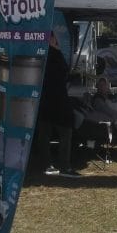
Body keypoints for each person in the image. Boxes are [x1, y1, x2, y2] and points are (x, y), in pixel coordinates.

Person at [35, 32, 79, 176]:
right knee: (64, 132)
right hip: (56, 100)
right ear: (51, 39)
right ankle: (63, 166)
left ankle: (47, 164)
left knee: (45, 135)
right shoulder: (54, 54)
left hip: (46, 100)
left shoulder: (40, 54)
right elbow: (62, 74)